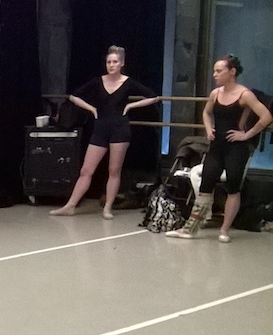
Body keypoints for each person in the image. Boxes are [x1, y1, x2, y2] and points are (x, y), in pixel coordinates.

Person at [167, 55, 272, 242]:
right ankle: (190, 229)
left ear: (231, 72)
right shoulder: (215, 94)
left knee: (233, 187)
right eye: (214, 70)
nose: (214, 74)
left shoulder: (245, 94)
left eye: (219, 71)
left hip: (236, 148)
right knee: (206, 185)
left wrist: (246, 135)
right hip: (217, 147)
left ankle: (224, 230)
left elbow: (266, 116)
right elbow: (206, 113)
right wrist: (208, 129)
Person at [49, 46, 159, 219]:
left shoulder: (129, 82)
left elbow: (153, 96)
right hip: (100, 127)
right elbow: (74, 96)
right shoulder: (98, 81)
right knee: (86, 170)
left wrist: (130, 106)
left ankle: (108, 207)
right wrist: (92, 109)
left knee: (114, 170)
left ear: (122, 63)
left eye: (115, 62)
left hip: (120, 128)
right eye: (109, 62)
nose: (111, 65)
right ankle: (71, 205)